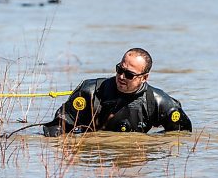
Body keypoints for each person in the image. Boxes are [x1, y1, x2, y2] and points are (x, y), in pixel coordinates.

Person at [43, 48, 192, 137]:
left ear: (144, 78)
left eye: (129, 75)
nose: (121, 77)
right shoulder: (90, 93)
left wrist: (151, 144)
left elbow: (182, 134)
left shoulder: (159, 102)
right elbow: (56, 128)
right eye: (119, 69)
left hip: (138, 161)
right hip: (96, 161)